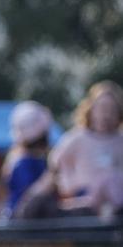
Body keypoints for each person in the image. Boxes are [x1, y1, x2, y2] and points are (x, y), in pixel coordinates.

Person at [48, 80, 123, 217]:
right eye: (101, 108)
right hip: (84, 200)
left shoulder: (120, 140)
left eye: (111, 109)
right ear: (91, 109)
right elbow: (55, 161)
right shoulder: (78, 137)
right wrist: (69, 183)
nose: (105, 115)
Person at [1, 101, 52, 218]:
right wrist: (47, 181)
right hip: (22, 220)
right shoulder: (22, 162)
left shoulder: (40, 160)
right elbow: (27, 196)